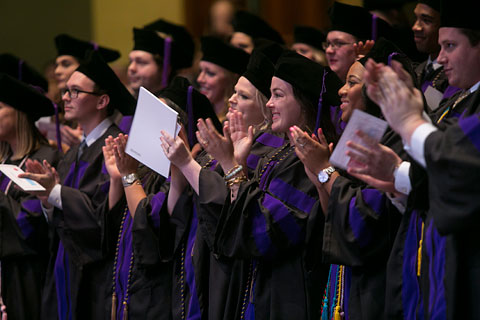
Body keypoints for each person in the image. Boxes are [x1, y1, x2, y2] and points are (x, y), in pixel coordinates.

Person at [348, 0, 480, 316]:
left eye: (450, 45)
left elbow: (461, 174)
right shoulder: (464, 101)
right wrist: (396, 175)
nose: (441, 57)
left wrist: (410, 122)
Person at [208, 50, 340, 320]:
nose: (269, 104)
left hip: (288, 294)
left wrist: (232, 167)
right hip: (259, 288)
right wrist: (240, 165)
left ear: (303, 101)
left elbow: (266, 234)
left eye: (278, 95)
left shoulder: (309, 160)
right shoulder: (280, 153)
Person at [292, 38, 414, 320]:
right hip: (347, 280)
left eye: (352, 82)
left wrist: (325, 171)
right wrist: (317, 173)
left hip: (378, 281)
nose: (342, 91)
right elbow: (334, 216)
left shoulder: (395, 144)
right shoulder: (364, 134)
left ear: (378, 90)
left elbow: (366, 217)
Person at [20, 51, 136, 320]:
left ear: (102, 101)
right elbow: (63, 218)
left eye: (75, 91)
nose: (65, 98)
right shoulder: (73, 153)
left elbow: (103, 219)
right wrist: (47, 200)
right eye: (65, 91)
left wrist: (56, 192)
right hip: (65, 268)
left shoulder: (115, 147)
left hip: (97, 277)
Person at [0, 74, 61, 320]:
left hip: (26, 279)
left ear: (19, 113)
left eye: (0, 106)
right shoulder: (3, 160)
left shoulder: (46, 159)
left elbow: (30, 224)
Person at [53, 34, 121, 149]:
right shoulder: (60, 111)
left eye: (66, 64)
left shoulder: (113, 142)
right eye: (67, 91)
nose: (57, 71)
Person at [412, 0, 459, 111]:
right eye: (416, 18)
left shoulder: (455, 79)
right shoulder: (418, 70)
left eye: (426, 20)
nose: (415, 27)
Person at [197, 36, 250, 123]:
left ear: (232, 79)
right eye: (200, 71)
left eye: (210, 73)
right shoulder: (198, 114)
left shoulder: (235, 123)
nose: (200, 79)